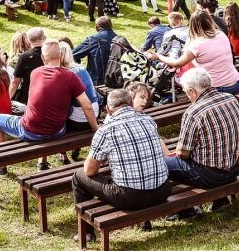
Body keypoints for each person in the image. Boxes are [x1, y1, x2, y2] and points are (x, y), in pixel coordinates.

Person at [72, 89, 171, 242]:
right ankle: (145, 220)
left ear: (107, 109)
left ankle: (86, 233)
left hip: (130, 197)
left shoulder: (106, 130)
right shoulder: (148, 120)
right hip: (163, 190)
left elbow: (90, 171)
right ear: (131, 103)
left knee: (79, 176)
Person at [0, 39, 98, 172]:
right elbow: (87, 105)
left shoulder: (35, 73)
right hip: (58, 131)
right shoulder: (71, 76)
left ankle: (1, 167)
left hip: (30, 131)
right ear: (60, 55)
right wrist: (95, 128)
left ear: (43, 57)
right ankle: (42, 162)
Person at [164, 68, 239, 218]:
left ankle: (183, 208)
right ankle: (220, 200)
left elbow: (183, 153)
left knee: (162, 163)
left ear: (192, 91)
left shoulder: (193, 112)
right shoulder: (231, 98)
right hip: (235, 168)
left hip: (211, 176)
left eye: (185, 92)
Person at [151, 10, 239, 94]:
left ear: (193, 25)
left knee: (191, 88)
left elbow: (177, 63)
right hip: (235, 83)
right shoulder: (220, 34)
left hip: (216, 88)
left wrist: (158, 56)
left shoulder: (197, 45)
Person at [73, 17, 118, 85]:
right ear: (111, 26)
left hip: (97, 82)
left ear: (97, 27)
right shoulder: (120, 40)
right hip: (117, 81)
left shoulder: (93, 39)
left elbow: (73, 54)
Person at [12, 27, 46, 103]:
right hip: (49, 96)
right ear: (44, 38)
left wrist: (8, 99)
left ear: (28, 40)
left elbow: (15, 82)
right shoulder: (51, 53)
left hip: (29, 98)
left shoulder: (24, 57)